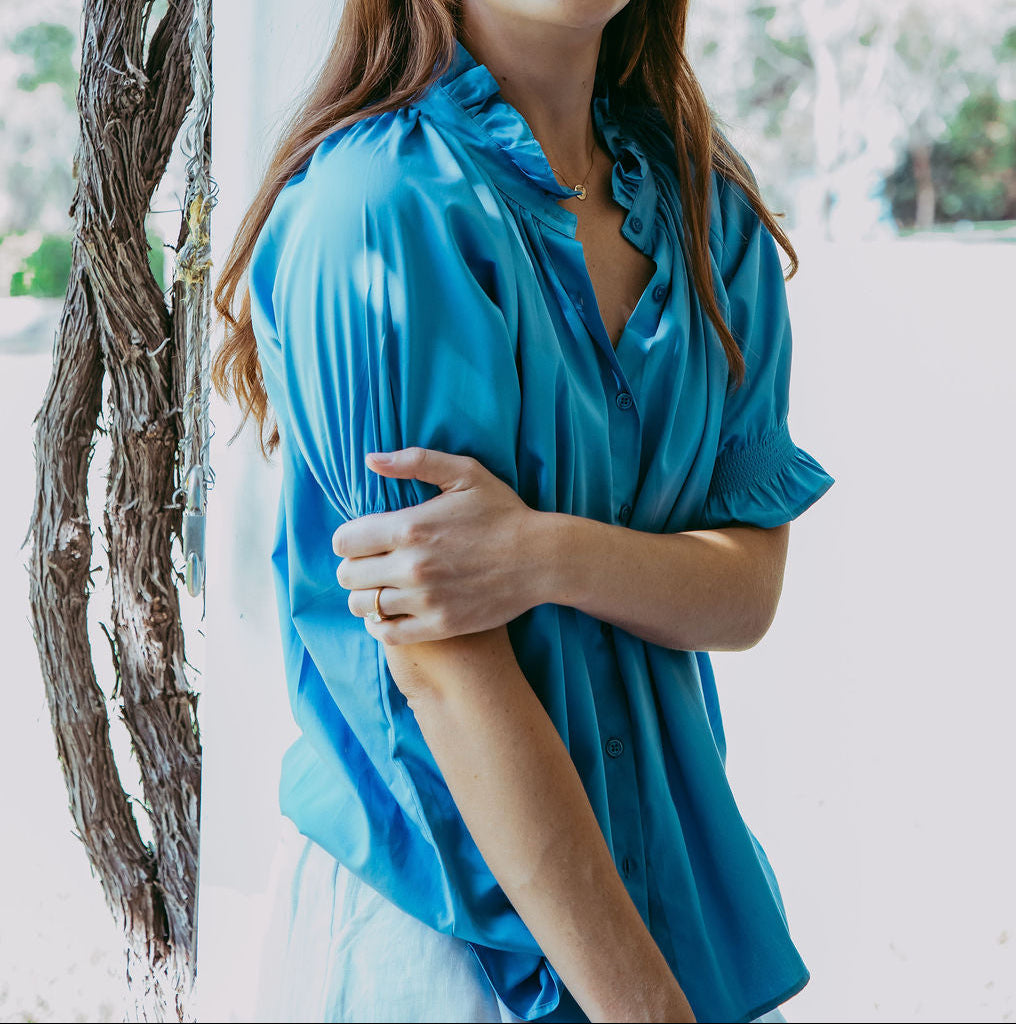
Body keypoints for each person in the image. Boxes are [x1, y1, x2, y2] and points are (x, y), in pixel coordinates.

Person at [212, 1, 836, 1021]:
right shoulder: (380, 206)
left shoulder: (711, 222)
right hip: (435, 932)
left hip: (672, 917)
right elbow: (443, 667)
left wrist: (544, 555)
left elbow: (743, 592)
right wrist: (646, 1009)